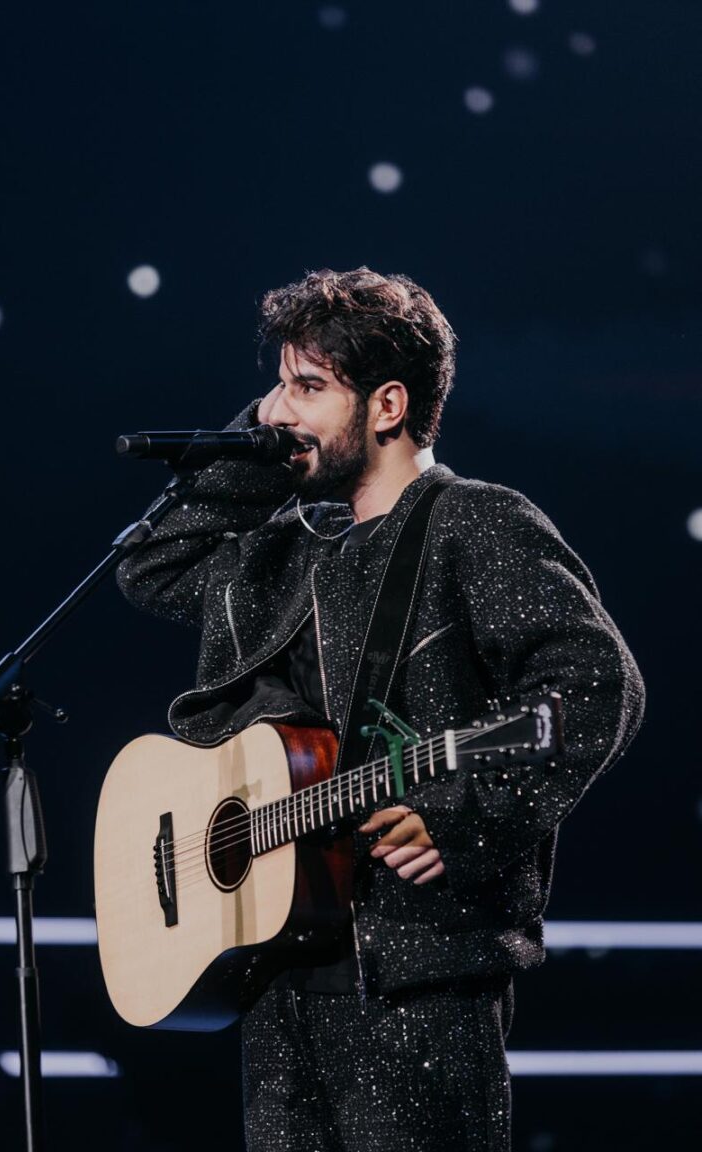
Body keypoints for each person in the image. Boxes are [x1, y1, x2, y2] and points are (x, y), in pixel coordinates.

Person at [116, 267, 645, 1152]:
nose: (276, 410)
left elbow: (595, 686)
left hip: (412, 973)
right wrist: (266, 441)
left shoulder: (476, 522)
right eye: (278, 384)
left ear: (388, 405)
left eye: (307, 387)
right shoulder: (281, 552)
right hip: (276, 973)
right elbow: (151, 566)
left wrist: (464, 814)